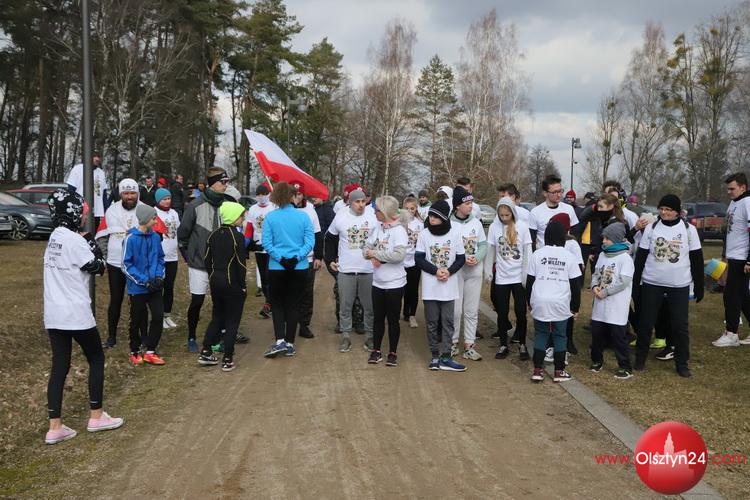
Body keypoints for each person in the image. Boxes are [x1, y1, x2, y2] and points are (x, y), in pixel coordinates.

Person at [44, 189, 123, 445]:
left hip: (54, 313)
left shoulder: (54, 238)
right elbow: (98, 268)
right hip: (76, 313)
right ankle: (96, 416)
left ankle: (55, 426)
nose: (85, 216)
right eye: (83, 212)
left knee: (60, 365)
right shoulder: (74, 240)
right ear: (74, 212)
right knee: (96, 358)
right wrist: (90, 242)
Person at [632, 194, 704, 378]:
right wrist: (636, 284)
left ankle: (682, 363)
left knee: (680, 325)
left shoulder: (689, 230)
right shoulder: (652, 228)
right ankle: (640, 359)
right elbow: (641, 257)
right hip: (652, 283)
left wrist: (699, 285)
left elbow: (696, 259)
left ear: (677, 212)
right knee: (646, 323)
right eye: (662, 209)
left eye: (669, 210)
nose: (664, 213)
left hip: (679, 285)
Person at [177, 167, 229, 353]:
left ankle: (218, 337)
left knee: (220, 302)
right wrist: (188, 255)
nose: (226, 185)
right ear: (212, 184)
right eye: (223, 182)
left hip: (219, 264)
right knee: (197, 301)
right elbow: (183, 234)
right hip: (199, 263)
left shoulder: (227, 204)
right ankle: (191, 336)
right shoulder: (195, 205)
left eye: (227, 182)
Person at [262, 182, 314, 358]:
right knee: (293, 304)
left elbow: (267, 243)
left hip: (277, 267)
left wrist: (281, 258)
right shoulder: (304, 216)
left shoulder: (270, 217)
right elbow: (309, 242)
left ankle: (280, 340)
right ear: (292, 196)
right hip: (299, 267)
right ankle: (290, 343)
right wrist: (297, 257)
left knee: (277, 304)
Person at [415, 200, 467, 372]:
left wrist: (449, 272)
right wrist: (436, 271)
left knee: (448, 322)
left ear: (444, 218)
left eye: (436, 216)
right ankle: (435, 356)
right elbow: (419, 258)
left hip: (449, 285)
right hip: (430, 286)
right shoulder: (424, 234)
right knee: (431, 322)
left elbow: (461, 258)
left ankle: (446, 357)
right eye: (430, 215)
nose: (432, 219)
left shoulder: (455, 233)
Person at [526, 219, 582, 383]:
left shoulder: (537, 254)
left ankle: (537, 370)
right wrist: (575, 307)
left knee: (541, 333)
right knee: (560, 335)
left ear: (546, 236)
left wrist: (530, 302)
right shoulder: (569, 257)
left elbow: (529, 282)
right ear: (563, 237)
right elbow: (575, 285)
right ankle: (559, 371)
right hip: (560, 301)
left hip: (540, 300)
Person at [197, 202, 248, 371]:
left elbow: (207, 259)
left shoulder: (213, 235)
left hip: (215, 282)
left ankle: (206, 351)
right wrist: (242, 285)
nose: (243, 218)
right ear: (233, 217)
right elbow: (241, 264)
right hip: (232, 283)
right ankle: (227, 358)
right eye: (241, 216)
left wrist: (212, 275)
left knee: (217, 317)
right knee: (232, 321)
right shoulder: (237, 237)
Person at [325, 188, 378, 353]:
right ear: (350, 202)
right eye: (357, 201)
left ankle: (370, 336)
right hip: (346, 269)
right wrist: (330, 259)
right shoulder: (341, 216)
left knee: (369, 307)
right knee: (345, 306)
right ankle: (346, 336)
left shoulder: (373, 216)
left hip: (368, 269)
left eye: (363, 201)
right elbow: (330, 238)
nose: (361, 205)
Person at [95, 178, 144, 348]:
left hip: (137, 264)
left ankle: (140, 336)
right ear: (121, 194)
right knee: (115, 300)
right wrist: (105, 257)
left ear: (137, 193)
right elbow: (102, 236)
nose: (129, 196)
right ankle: (111, 337)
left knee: (138, 300)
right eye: (126, 193)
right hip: (115, 263)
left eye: (132, 193)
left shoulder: (145, 209)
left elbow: (154, 236)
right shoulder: (111, 210)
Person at [485, 197, 532, 361]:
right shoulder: (494, 227)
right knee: (502, 311)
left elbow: (528, 252)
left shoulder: (522, 227)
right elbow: (490, 250)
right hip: (502, 277)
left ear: (512, 213)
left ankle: (522, 344)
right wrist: (488, 270)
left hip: (518, 277)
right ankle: (503, 344)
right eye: (501, 215)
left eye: (507, 215)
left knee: (520, 311)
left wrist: (526, 274)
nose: (504, 218)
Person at [364, 195, 408, 366]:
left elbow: (398, 256)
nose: (374, 213)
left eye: (377, 210)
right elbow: (365, 249)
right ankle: (376, 350)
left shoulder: (399, 231)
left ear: (385, 212)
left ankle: (392, 352)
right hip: (378, 282)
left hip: (395, 283)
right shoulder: (377, 228)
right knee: (378, 318)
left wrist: (376, 254)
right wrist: (371, 254)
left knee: (393, 319)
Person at [589, 223, 635, 379]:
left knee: (618, 337)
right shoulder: (603, 255)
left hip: (616, 304)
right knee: (597, 334)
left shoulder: (625, 259)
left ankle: (625, 366)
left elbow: (623, 281)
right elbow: (596, 273)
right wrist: (594, 286)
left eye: (607, 238)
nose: (604, 241)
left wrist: (606, 292)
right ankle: (597, 360)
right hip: (599, 302)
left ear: (615, 239)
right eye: (603, 238)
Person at [122, 204, 166, 365]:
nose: (156, 222)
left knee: (158, 316)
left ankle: (150, 351)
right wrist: (144, 280)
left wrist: (158, 276)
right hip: (138, 287)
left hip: (155, 286)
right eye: (153, 219)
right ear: (145, 219)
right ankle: (134, 350)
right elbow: (126, 265)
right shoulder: (130, 239)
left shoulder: (155, 237)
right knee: (136, 320)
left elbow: (160, 258)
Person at [450, 186, 487, 361]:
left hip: (474, 271)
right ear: (458, 205)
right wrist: (461, 259)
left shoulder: (476, 223)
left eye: (471, 202)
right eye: (467, 203)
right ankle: (452, 343)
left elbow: (483, 245)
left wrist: (477, 258)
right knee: (456, 310)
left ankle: (469, 346)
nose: (471, 205)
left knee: (471, 310)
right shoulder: (449, 223)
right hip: (456, 272)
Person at [713, 173, 750, 346]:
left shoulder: (747, 202)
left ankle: (732, 333)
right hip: (732, 255)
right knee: (743, 296)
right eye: (727, 189)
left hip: (742, 258)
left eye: (732, 188)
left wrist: (749, 260)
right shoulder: (734, 202)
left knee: (731, 295)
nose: (729, 192)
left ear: (743, 187)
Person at [546, 213, 584, 358]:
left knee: (568, 315)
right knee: (551, 315)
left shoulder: (572, 244)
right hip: (552, 283)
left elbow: (579, 265)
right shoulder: (549, 243)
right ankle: (550, 341)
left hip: (567, 284)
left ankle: (568, 340)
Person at [292, 182, 323, 339]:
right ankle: (289, 322)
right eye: (294, 194)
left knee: (306, 292)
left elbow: (318, 235)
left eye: (299, 194)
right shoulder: (283, 211)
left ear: (303, 195)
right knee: (290, 292)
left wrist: (318, 256)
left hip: (308, 259)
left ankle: (304, 324)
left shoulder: (310, 211)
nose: (297, 197)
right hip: (288, 260)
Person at [244, 184, 276, 319]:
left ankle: (269, 304)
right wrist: (246, 243)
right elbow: (249, 228)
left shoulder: (274, 207)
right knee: (263, 278)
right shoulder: (252, 209)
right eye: (259, 195)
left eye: (264, 194)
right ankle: (270, 303)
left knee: (270, 276)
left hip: (272, 248)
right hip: (258, 247)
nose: (261, 197)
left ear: (269, 194)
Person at [528, 175, 579, 250]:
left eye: (560, 191)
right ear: (545, 193)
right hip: (544, 255)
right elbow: (532, 240)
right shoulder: (535, 212)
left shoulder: (569, 209)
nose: (559, 195)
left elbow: (575, 234)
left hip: (565, 254)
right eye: (554, 192)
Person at [154, 188, 180, 329]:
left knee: (169, 287)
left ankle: (167, 315)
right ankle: (158, 317)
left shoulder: (174, 213)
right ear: (158, 200)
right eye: (164, 199)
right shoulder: (154, 213)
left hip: (173, 257)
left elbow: (177, 231)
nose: (167, 201)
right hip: (159, 257)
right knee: (160, 287)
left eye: (169, 198)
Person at [65, 154, 109, 227]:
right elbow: (71, 192)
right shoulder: (77, 169)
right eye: (94, 156)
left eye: (99, 157)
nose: (97, 159)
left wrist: (107, 212)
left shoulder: (101, 173)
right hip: (80, 212)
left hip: (96, 213)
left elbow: (104, 195)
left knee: (94, 233)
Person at [401, 196, 423, 327]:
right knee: (401, 289)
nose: (409, 211)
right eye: (407, 208)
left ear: (416, 209)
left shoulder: (420, 224)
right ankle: (402, 311)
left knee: (413, 289)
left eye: (412, 208)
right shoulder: (398, 223)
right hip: (400, 261)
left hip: (415, 261)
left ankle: (412, 315)